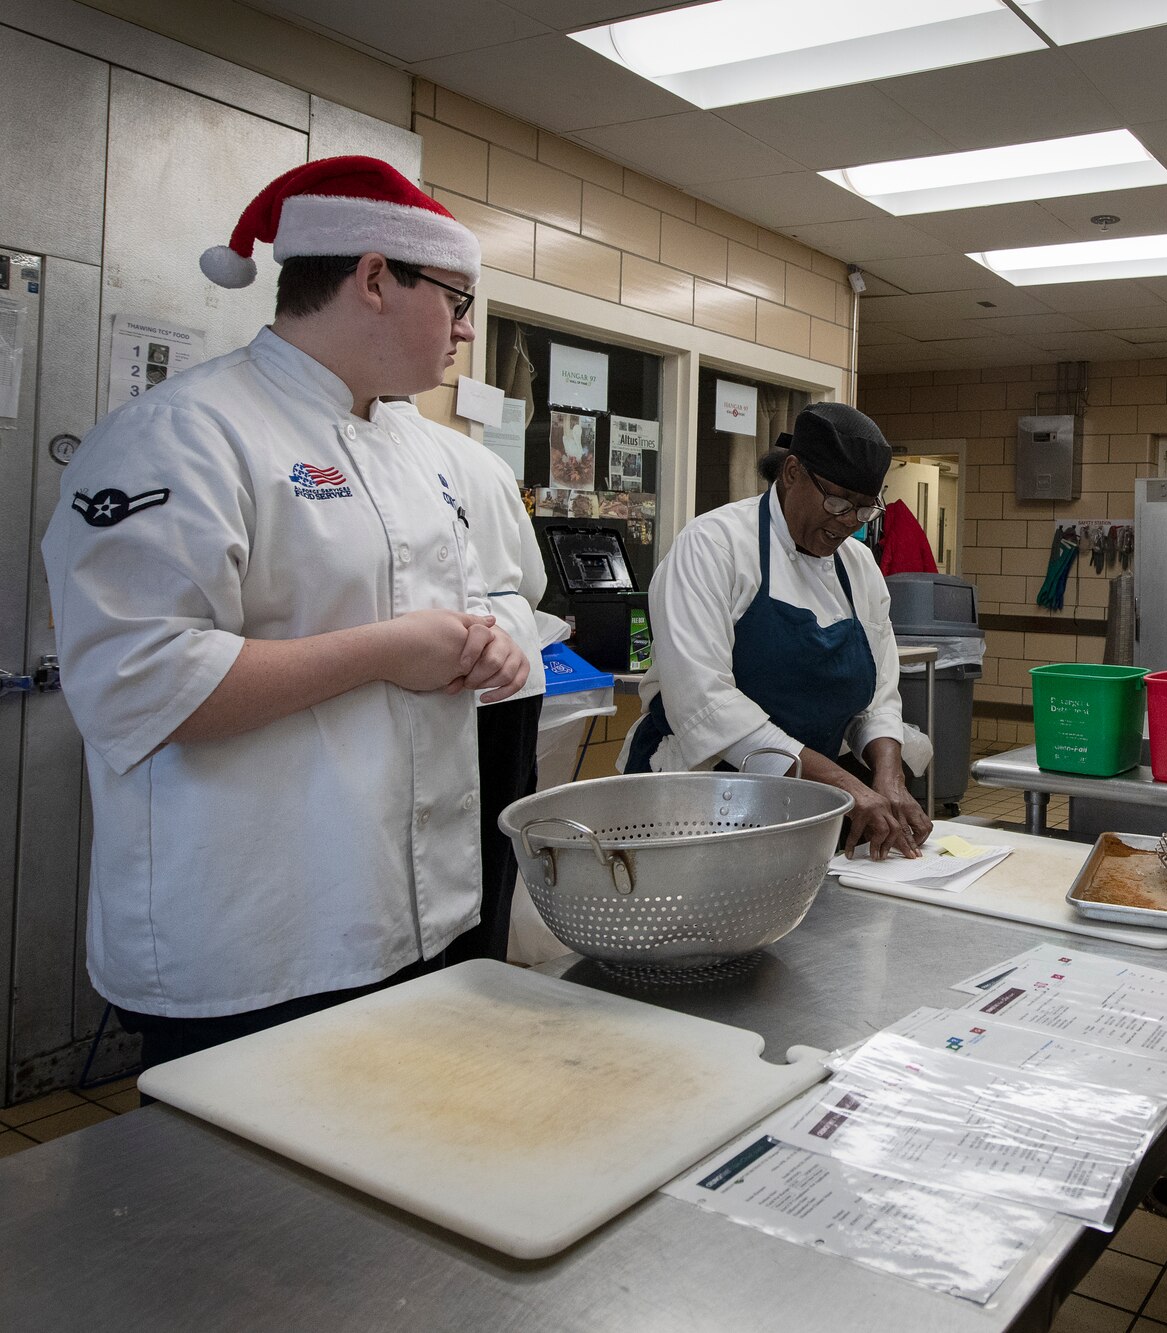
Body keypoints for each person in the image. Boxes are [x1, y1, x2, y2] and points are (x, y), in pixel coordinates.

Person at [43, 157, 530, 1068]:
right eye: (457, 301)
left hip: (408, 911)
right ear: (376, 278)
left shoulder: (414, 451)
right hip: (256, 942)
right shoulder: (186, 433)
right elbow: (134, 686)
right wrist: (387, 650)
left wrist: (485, 646)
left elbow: (445, 613)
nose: (466, 331)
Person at [622, 402, 932, 859]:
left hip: (809, 802)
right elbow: (707, 706)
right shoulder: (714, 546)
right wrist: (845, 786)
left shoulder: (859, 566)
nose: (849, 522)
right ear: (791, 473)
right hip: (701, 798)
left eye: (865, 510)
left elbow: (878, 697)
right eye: (838, 502)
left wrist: (889, 777)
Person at [384, 399, 550, 965]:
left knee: (429, 861)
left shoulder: (405, 453)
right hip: (511, 668)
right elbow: (534, 580)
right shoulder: (481, 459)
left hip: (439, 672)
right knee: (493, 856)